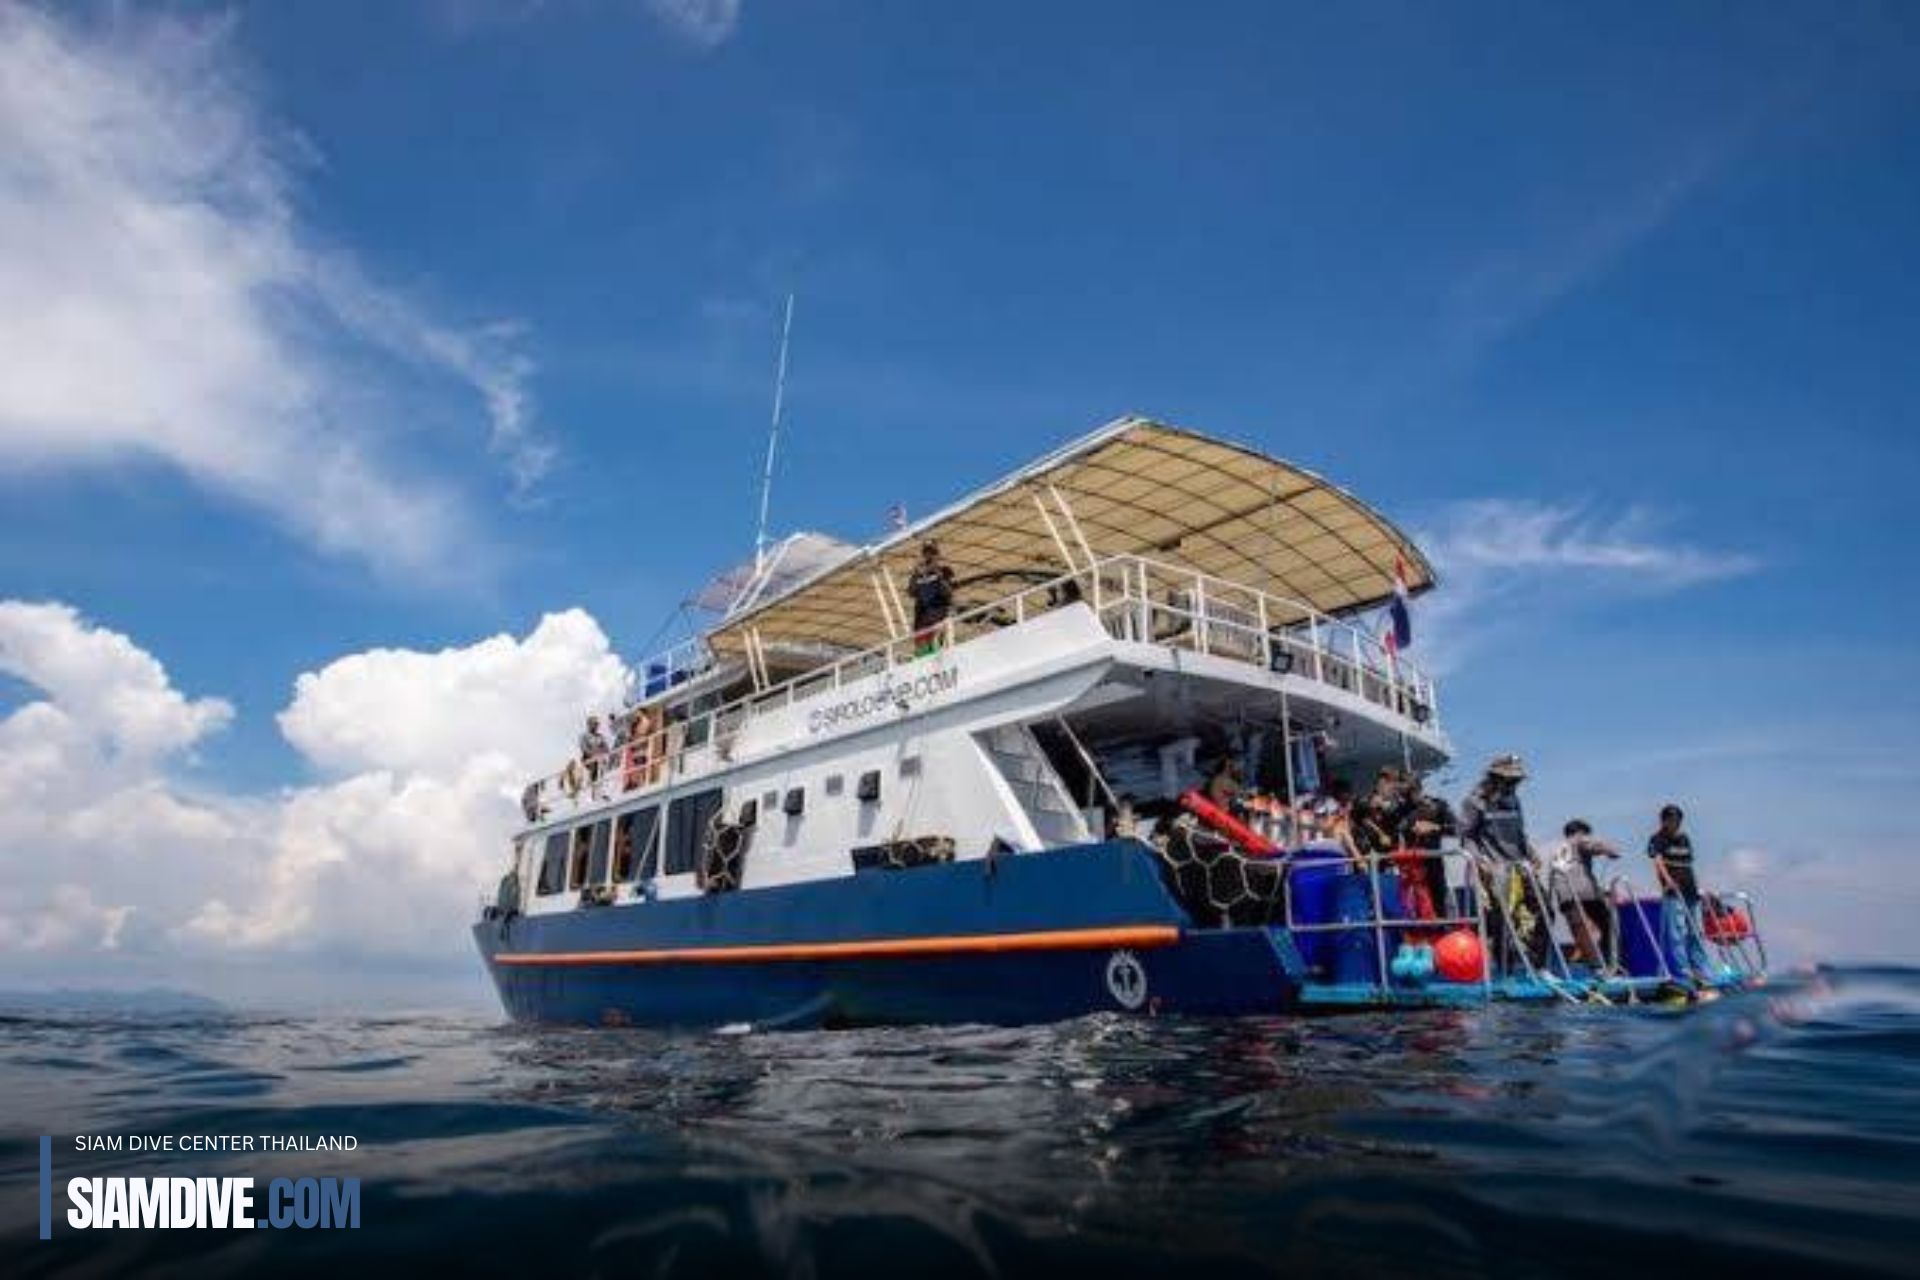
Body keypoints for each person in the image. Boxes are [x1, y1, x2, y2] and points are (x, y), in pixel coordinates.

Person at [1459, 754, 1550, 973]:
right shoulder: (1474, 801)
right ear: (1495, 778)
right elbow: (1466, 836)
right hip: (1495, 868)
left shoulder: (1514, 800)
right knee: (1502, 921)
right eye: (1509, 780)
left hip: (1520, 865)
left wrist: (1530, 852)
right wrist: (1480, 862)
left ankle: (1539, 968)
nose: (1513, 785)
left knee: (1545, 909)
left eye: (1516, 781)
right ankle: (1505, 971)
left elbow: (1519, 833)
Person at [1648, 803, 1712, 982]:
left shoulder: (1684, 838)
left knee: (1695, 931)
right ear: (1663, 821)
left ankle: (1702, 970)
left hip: (1690, 888)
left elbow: (1689, 864)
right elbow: (1658, 862)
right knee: (1676, 932)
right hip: (1673, 891)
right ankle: (1683, 972)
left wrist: (1699, 887)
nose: (1675, 823)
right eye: (1671, 820)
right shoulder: (1657, 839)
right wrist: (1667, 881)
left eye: (1678, 820)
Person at [1546, 819, 1619, 970]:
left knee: (1579, 929)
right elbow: (1590, 844)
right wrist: (1609, 850)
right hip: (1585, 892)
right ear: (1580, 832)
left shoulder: (1558, 848)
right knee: (1608, 925)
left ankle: (1595, 965)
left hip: (1564, 893)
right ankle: (1609, 962)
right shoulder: (1579, 838)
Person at [1396, 775, 1455, 923]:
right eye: (1404, 793)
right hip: (1410, 869)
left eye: (1410, 792)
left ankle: (1441, 933)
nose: (1407, 797)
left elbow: (1457, 828)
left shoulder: (1437, 806)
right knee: (1411, 909)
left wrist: (1434, 827)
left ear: (1418, 789)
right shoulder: (1399, 810)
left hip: (1433, 864)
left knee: (1438, 904)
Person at [906, 540, 957, 654]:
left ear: (937, 554)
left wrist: (939, 576)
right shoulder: (917, 574)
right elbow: (911, 592)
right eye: (926, 553)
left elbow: (949, 593)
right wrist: (917, 574)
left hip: (939, 618)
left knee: (939, 652)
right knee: (922, 654)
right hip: (921, 621)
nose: (929, 556)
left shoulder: (945, 570)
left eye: (932, 553)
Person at [579, 715, 609, 789]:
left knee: (602, 766)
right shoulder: (584, 736)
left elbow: (606, 748)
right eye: (594, 724)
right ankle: (592, 787)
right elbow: (584, 748)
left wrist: (601, 751)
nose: (596, 726)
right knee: (595, 765)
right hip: (588, 758)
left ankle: (600, 788)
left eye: (597, 724)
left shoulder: (600, 736)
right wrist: (594, 753)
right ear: (589, 725)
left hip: (599, 758)